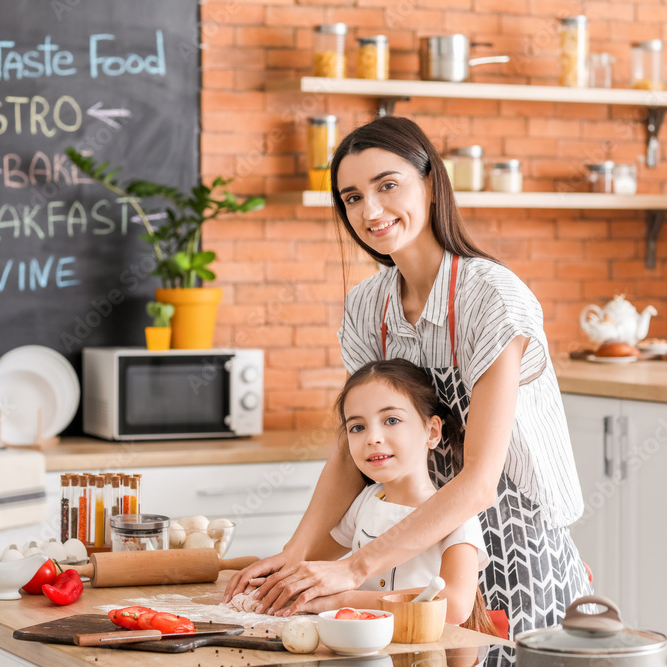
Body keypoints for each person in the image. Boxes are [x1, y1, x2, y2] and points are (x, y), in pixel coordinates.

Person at [224, 115, 592, 638]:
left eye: (387, 185)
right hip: (405, 558)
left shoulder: (490, 297)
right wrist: (292, 560)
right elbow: (350, 454)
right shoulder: (368, 306)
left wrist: (351, 568)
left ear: (431, 184)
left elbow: (480, 483)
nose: (370, 210)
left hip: (514, 554)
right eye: (351, 197)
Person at [289, 358, 493, 631]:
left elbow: (456, 605)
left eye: (391, 420)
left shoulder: (456, 515)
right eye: (357, 427)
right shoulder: (365, 501)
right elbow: (310, 564)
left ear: (432, 432)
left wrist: (347, 601)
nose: (372, 437)